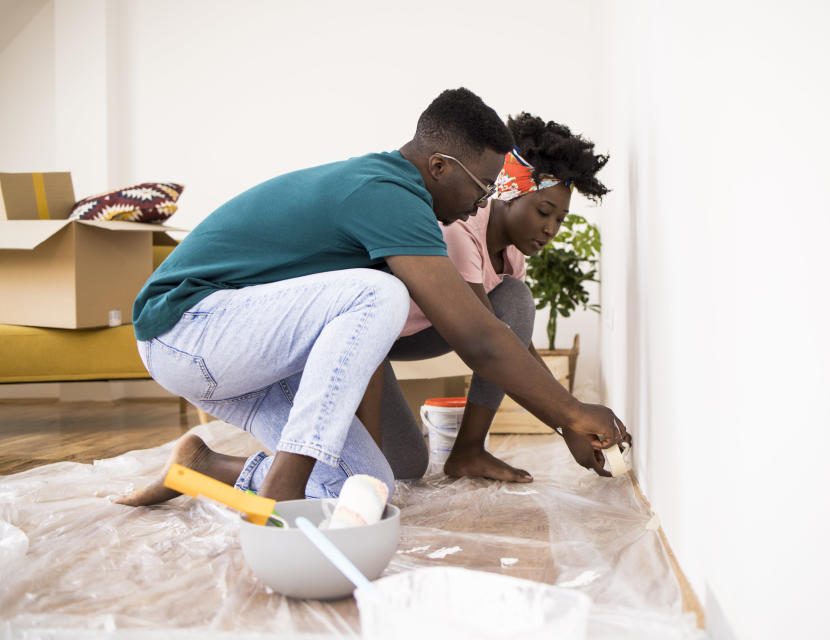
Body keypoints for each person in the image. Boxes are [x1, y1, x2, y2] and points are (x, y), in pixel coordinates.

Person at [114, 88, 628, 509]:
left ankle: (199, 467)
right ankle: (282, 490)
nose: (481, 202)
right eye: (482, 187)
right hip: (185, 329)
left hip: (252, 358)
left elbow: (371, 342)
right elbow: (477, 336)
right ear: (441, 166)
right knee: (380, 292)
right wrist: (574, 412)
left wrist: (567, 417)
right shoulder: (385, 193)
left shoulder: (412, 204)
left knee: (372, 488)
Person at [379, 112, 613, 483]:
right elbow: (491, 344)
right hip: (374, 343)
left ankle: (469, 450)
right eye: (543, 211)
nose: (550, 229)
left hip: (425, 334)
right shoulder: (459, 231)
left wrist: (568, 425)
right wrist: (571, 416)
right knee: (406, 467)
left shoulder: (514, 252)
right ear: (506, 194)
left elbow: (515, 343)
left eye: (560, 219)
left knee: (515, 299)